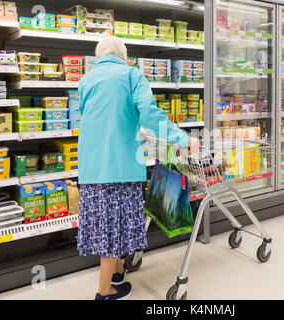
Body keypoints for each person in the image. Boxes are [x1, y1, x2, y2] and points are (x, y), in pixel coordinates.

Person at [77, 36, 200, 300]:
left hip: (90, 167)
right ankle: (104, 292)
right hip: (118, 167)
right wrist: (184, 138)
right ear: (124, 56)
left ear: (99, 56)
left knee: (106, 224)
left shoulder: (86, 79)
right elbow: (151, 116)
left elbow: (96, 117)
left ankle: (118, 273)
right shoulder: (131, 75)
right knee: (112, 228)